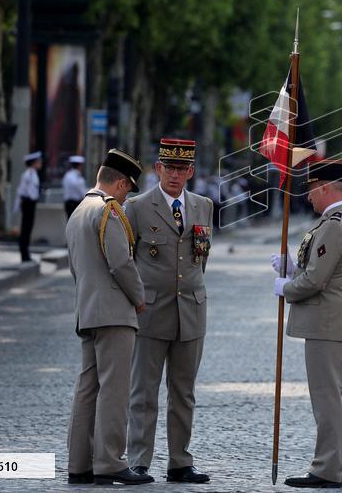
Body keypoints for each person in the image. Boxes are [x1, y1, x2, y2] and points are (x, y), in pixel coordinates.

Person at [126, 138, 213, 484]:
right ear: (157, 169)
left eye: (181, 169)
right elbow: (127, 258)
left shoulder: (203, 206)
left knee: (184, 392)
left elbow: (201, 257)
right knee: (143, 392)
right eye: (169, 168)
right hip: (150, 310)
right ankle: (138, 460)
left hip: (190, 311)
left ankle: (180, 461)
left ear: (190, 171)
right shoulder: (137, 207)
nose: (175, 175)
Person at [272, 161, 342, 489]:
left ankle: (326, 469)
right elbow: (320, 269)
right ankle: (340, 467)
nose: (309, 196)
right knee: (337, 397)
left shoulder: (334, 224)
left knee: (326, 397)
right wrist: (292, 268)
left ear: (325, 187)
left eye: (312, 189)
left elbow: (317, 280)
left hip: (325, 319)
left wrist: (287, 286)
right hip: (334, 318)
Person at [66, 148, 152, 486]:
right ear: (117, 183)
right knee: (115, 390)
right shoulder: (107, 212)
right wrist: (139, 298)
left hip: (88, 310)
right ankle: (110, 462)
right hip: (115, 313)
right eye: (127, 188)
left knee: (88, 388)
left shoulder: (78, 212)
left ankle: (80, 464)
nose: (126, 195)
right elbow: (120, 262)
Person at [15, 150, 42, 262]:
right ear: (33, 163)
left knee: (28, 228)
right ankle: (24, 254)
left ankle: (26, 253)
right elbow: (23, 191)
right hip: (28, 203)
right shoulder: (29, 174)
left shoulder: (33, 174)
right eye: (38, 161)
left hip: (30, 203)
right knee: (26, 228)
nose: (40, 163)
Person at [63, 155, 88, 220]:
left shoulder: (67, 175)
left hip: (68, 202)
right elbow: (81, 191)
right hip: (75, 203)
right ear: (79, 166)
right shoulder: (77, 176)